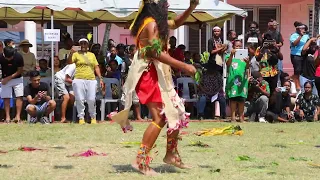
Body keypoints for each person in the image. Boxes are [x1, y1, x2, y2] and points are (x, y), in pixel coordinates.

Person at [110, 0, 198, 175]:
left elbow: (176, 23)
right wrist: (184, 66)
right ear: (155, 7)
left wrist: (191, 7)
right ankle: (140, 160)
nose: (167, 7)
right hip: (148, 73)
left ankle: (171, 154)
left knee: (175, 111)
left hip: (158, 73)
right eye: (164, 4)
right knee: (159, 117)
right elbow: (155, 53)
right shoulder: (150, 25)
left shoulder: (158, 23)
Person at [67, 37, 104, 125]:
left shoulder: (92, 55)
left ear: (88, 45)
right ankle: (81, 117)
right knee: (80, 99)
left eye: (85, 43)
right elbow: (69, 62)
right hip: (79, 78)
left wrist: (100, 78)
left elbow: (96, 67)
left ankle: (93, 117)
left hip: (91, 79)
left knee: (91, 99)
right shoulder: (76, 54)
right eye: (81, 43)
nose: (83, 45)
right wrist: (71, 53)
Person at [225, 40, 249, 122]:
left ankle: (241, 118)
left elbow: (247, 68)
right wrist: (231, 55)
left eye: (240, 46)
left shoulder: (244, 57)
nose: (238, 48)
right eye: (236, 46)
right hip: (233, 81)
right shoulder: (228, 55)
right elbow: (228, 64)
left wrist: (248, 62)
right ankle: (233, 118)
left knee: (241, 100)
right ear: (233, 47)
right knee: (233, 99)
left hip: (242, 81)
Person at [0, 46, 24, 123]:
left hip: (17, 78)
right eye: (8, 57)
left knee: (19, 96)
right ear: (4, 54)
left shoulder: (18, 57)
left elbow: (20, 70)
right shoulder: (0, 57)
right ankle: (7, 117)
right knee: (6, 97)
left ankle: (18, 116)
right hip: (4, 78)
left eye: (11, 57)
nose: (9, 59)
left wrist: (9, 78)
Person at [290, 23, 309, 91]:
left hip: (304, 55)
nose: (303, 29)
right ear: (298, 29)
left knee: (302, 70)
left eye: (304, 28)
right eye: (301, 28)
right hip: (296, 55)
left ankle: (298, 82)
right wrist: (300, 36)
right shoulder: (293, 35)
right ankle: (296, 85)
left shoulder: (307, 36)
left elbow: (308, 43)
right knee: (297, 70)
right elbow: (294, 44)